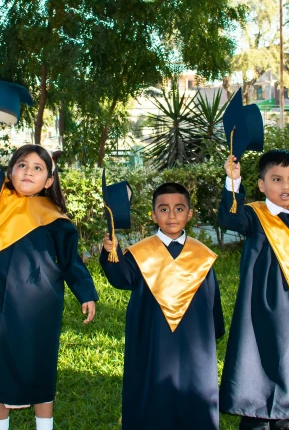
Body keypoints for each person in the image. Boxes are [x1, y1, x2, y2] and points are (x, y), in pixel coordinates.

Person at [0, 113, 98, 430]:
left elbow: (71, 261)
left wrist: (86, 292)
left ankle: (44, 426)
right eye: (21, 165)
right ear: (10, 172)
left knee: (38, 365)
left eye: (38, 168)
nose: (28, 171)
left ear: (49, 181)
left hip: (37, 307)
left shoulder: (55, 217)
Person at [219, 149, 289, 430]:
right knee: (257, 356)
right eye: (277, 179)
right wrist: (233, 182)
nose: (286, 186)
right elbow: (229, 219)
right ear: (261, 185)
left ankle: (283, 417)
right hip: (259, 304)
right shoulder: (254, 215)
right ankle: (255, 417)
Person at [100, 182, 225, 429]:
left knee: (195, 389)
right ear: (153, 214)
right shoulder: (140, 252)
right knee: (151, 392)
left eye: (179, 209)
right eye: (164, 209)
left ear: (189, 214)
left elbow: (212, 298)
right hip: (152, 337)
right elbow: (121, 279)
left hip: (193, 341)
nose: (171, 215)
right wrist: (111, 253)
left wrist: (214, 330)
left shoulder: (202, 255)